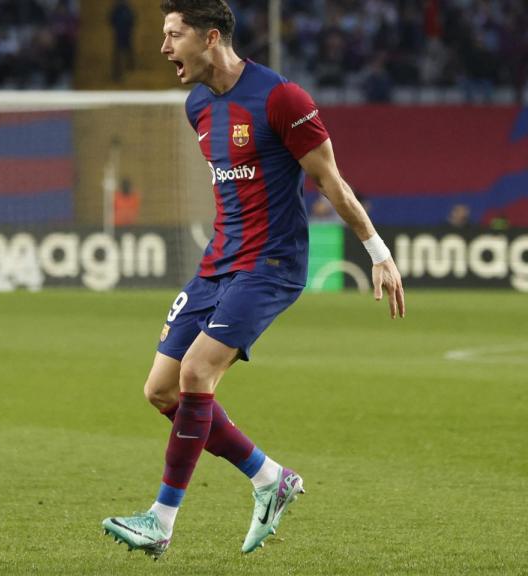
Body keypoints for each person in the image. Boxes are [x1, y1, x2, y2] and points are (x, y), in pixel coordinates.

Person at [101, 0, 405, 559]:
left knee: (196, 373)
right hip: (217, 263)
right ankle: (270, 478)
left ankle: (159, 521)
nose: (164, 47)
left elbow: (331, 182)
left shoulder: (281, 99)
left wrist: (377, 250)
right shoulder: (197, 106)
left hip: (271, 265)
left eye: (174, 35)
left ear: (210, 36)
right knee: (161, 389)